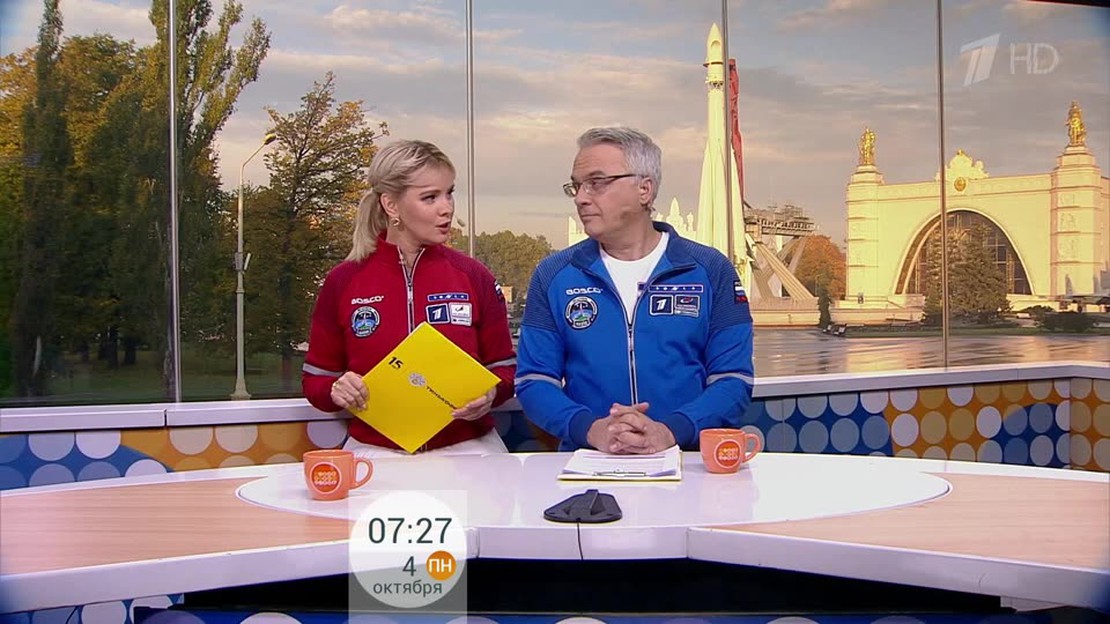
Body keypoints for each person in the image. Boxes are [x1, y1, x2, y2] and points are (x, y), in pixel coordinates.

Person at [515, 127, 754, 453]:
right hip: (588, 462)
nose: (581, 198)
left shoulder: (710, 270)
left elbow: (733, 380)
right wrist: (592, 430)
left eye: (596, 182)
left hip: (687, 462)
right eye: (576, 186)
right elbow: (533, 382)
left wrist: (669, 432)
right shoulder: (553, 275)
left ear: (645, 189)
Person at [302, 140, 516, 457]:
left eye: (449, 193)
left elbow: (505, 369)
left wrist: (491, 393)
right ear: (391, 205)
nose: (447, 208)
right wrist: (336, 389)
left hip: (469, 450)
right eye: (430, 197)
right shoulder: (343, 281)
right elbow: (315, 380)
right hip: (376, 451)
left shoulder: (473, 276)